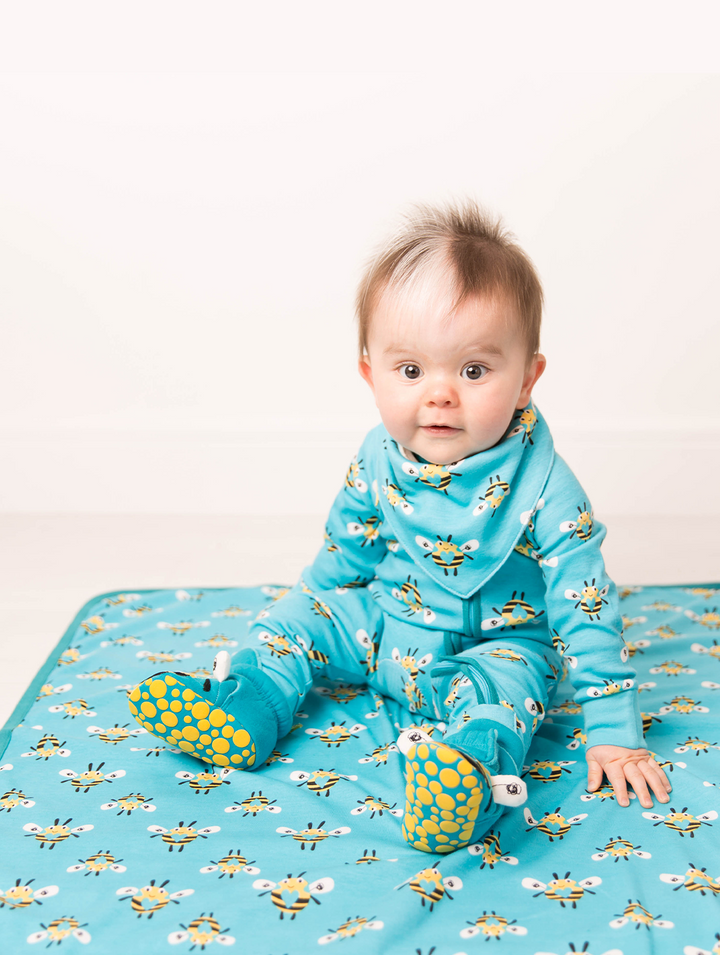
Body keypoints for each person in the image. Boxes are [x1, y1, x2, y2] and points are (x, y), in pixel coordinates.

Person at [128, 200, 671, 855]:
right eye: (411, 371)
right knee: (294, 616)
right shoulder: (376, 457)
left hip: (495, 650)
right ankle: (250, 704)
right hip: (385, 630)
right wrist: (310, 613)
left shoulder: (547, 486)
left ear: (527, 379)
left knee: (509, 692)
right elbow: (344, 553)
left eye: (474, 371)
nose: (439, 394)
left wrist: (613, 729)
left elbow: (585, 604)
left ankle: (468, 773)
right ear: (371, 375)